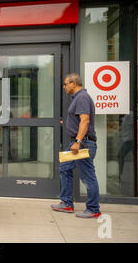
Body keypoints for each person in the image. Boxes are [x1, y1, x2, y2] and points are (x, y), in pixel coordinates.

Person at [51, 73, 101, 219]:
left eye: (65, 84)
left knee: (87, 176)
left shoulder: (82, 97)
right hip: (77, 142)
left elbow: (85, 120)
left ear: (74, 83)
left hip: (83, 143)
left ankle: (93, 209)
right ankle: (66, 203)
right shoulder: (78, 98)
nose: (64, 87)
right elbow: (78, 119)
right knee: (65, 168)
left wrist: (78, 141)